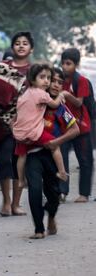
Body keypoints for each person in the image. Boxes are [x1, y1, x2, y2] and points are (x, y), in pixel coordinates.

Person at [25, 67, 80, 239]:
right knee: (34, 189)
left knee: (54, 194)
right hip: (33, 153)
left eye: (59, 82)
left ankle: (52, 215)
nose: (55, 85)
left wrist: (56, 142)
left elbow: (75, 130)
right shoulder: (35, 100)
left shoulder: (60, 108)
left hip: (52, 154)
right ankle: (39, 229)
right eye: (52, 80)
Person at [0, 31, 34, 217]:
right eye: (17, 43)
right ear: (12, 47)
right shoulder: (2, 67)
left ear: (31, 48)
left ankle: (17, 204)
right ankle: (6, 202)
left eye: (25, 43)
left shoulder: (35, 71)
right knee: (3, 161)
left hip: (25, 125)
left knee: (20, 163)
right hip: (3, 123)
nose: (21, 46)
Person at [13, 63, 67, 188]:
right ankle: (62, 172)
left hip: (20, 133)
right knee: (55, 145)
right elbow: (54, 104)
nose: (46, 81)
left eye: (48, 78)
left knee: (21, 156)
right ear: (32, 79)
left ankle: (21, 180)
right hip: (34, 133)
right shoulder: (41, 94)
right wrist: (61, 95)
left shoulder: (25, 94)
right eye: (42, 77)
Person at [60, 48, 94, 203]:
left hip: (81, 127)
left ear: (76, 64)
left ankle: (84, 194)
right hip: (64, 127)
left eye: (69, 64)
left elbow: (79, 102)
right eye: (63, 63)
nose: (65, 67)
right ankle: (62, 191)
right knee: (61, 160)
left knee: (85, 161)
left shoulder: (81, 81)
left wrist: (67, 95)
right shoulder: (59, 80)